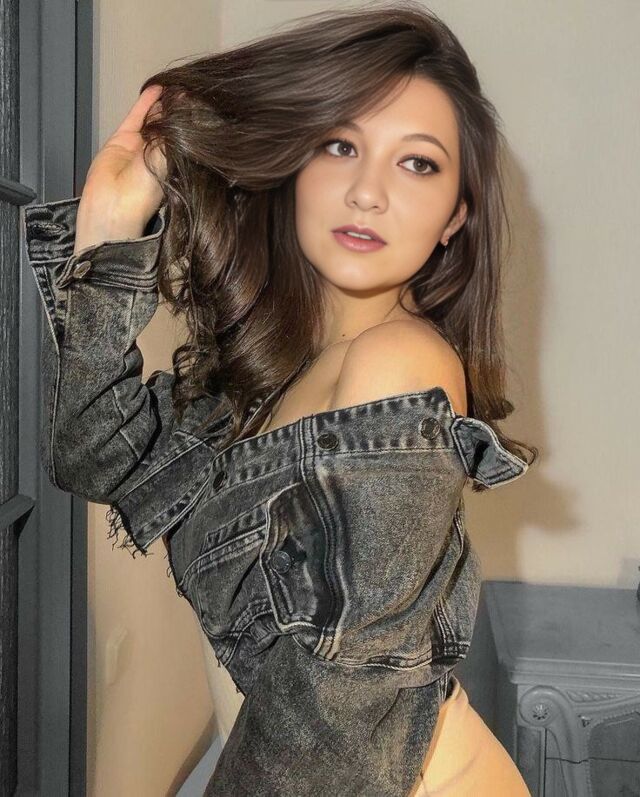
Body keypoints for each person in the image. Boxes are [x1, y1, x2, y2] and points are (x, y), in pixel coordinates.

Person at [22, 2, 537, 794]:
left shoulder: (401, 363)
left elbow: (338, 705)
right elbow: (93, 452)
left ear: (454, 218)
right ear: (295, 165)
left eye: (417, 164)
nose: (367, 192)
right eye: (341, 145)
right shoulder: (264, 372)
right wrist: (107, 233)